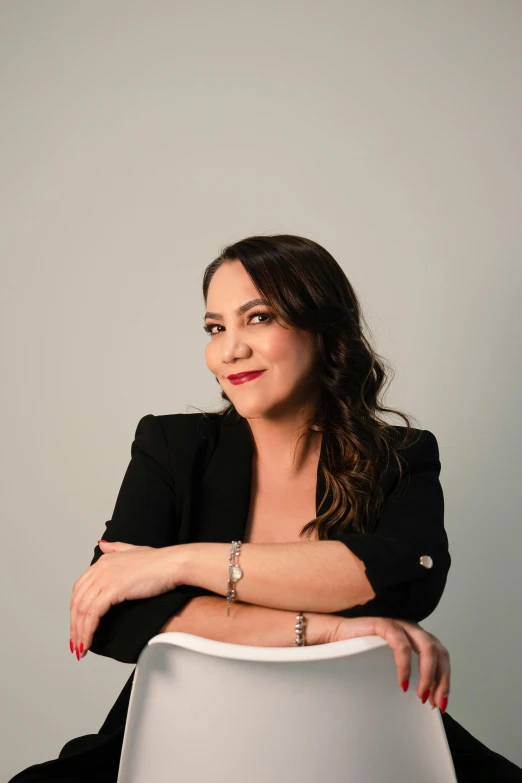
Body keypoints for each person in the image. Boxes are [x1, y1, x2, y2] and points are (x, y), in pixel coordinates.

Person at [9, 234, 522, 782]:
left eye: (258, 319)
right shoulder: (172, 446)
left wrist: (175, 564)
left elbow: (399, 573)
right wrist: (327, 631)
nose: (229, 349)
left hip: (361, 731)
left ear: (322, 330)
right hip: (183, 731)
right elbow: (114, 614)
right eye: (215, 327)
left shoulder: (401, 456)